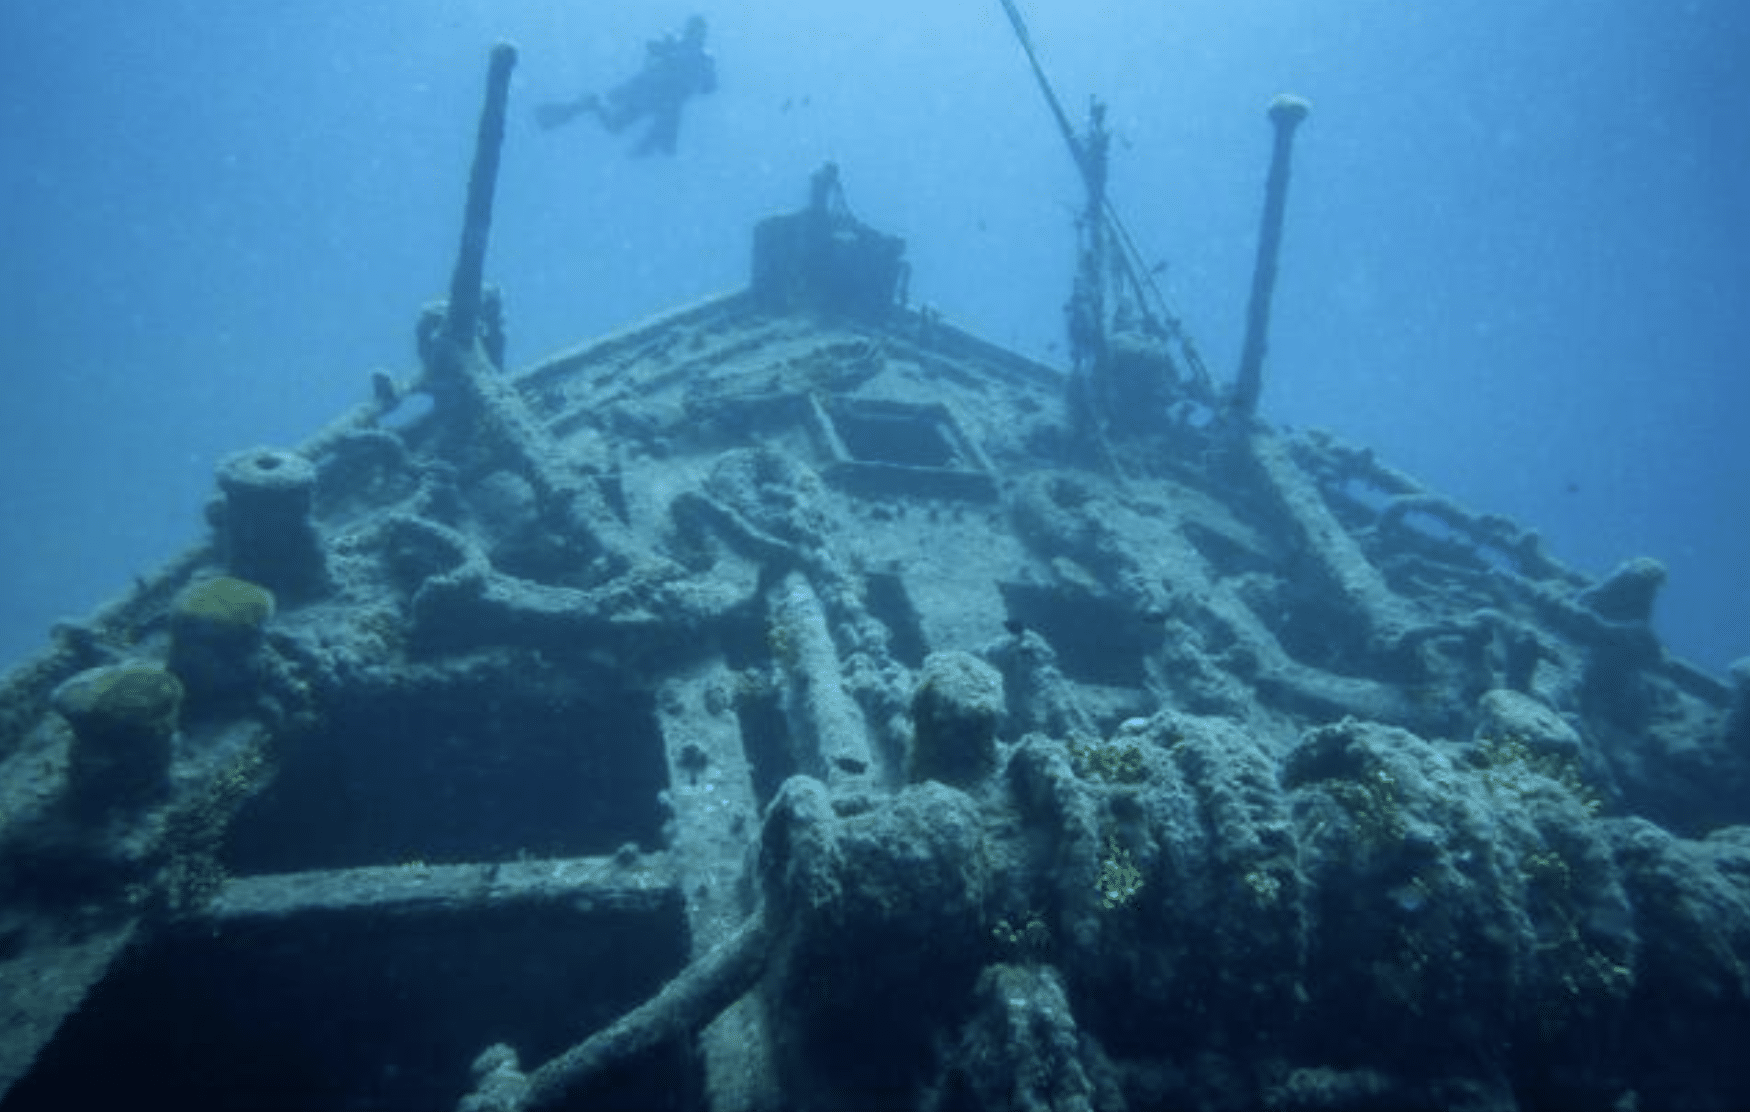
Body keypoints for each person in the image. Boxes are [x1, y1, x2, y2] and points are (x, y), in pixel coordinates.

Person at [536, 16, 717, 156]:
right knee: (618, 127)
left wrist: (672, 50)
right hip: (649, 96)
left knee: (625, 130)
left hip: (658, 101)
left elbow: (709, 87)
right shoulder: (686, 49)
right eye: (695, 31)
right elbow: (652, 47)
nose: (696, 36)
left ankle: (589, 104)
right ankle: (589, 104)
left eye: (698, 32)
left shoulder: (701, 57)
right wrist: (669, 47)